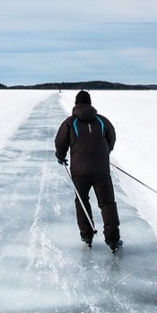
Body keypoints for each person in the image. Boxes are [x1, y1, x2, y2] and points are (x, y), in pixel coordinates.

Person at [54, 90, 122, 252]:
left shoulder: (70, 122)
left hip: (79, 171)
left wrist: (60, 156)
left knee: (82, 201)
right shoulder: (102, 121)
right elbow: (111, 139)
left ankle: (87, 235)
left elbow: (60, 141)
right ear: (90, 103)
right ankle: (113, 239)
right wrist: (104, 154)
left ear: (76, 104)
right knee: (107, 203)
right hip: (101, 170)